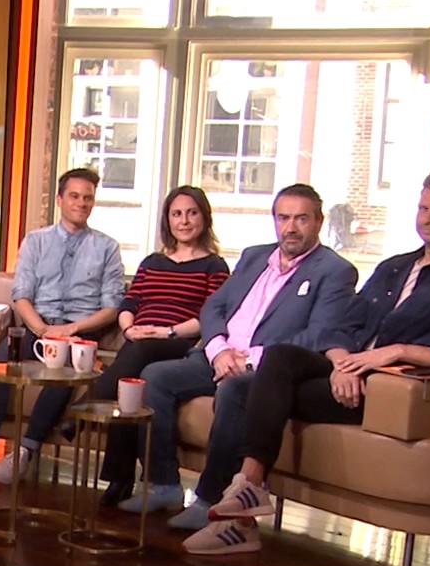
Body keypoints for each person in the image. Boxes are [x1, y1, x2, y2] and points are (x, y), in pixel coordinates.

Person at [186, 170, 430, 555]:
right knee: (279, 356)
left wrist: (395, 352)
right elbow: (342, 328)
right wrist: (341, 364)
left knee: (242, 391)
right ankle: (247, 491)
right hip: (348, 368)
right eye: (423, 209)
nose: (427, 218)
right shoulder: (395, 266)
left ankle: (238, 517)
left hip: (391, 385)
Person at [119, 184, 355, 526]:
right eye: (283, 218)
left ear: (318, 222)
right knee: (155, 376)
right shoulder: (254, 256)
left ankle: (210, 499)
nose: (290, 227)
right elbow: (213, 306)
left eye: (301, 219)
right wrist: (218, 349)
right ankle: (163, 484)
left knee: (233, 390)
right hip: (220, 355)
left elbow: (319, 334)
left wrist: (251, 359)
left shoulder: (334, 270)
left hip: (265, 370)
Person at [0, 168, 124, 489]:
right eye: (74, 196)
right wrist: (42, 330)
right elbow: (21, 295)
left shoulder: (107, 248)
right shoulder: (36, 241)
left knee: (66, 369)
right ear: (59, 200)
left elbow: (112, 307)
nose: (81, 203)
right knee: (1, 363)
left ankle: (25, 452)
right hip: (37, 327)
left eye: (88, 198)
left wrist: (71, 329)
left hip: (80, 333)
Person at [94, 186, 230, 506]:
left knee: (136, 361)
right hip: (139, 340)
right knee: (132, 385)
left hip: (180, 343)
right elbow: (130, 302)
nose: (184, 221)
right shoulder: (152, 262)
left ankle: (92, 402)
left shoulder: (215, 266)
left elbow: (210, 316)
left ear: (204, 218)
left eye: (192, 213)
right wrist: (129, 329)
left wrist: (167, 332)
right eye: (176, 214)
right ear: (167, 220)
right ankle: (122, 478)